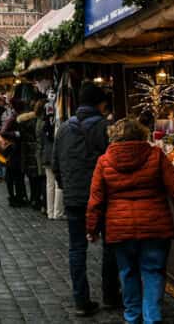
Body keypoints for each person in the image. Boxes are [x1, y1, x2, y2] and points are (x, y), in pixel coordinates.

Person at [87, 117, 174, 324]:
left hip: (120, 229)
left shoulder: (104, 161)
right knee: (153, 272)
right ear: (141, 134)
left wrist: (92, 229)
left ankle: (132, 317)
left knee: (127, 273)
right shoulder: (156, 155)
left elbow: (96, 200)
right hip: (155, 227)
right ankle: (152, 318)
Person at [53, 82, 121, 316]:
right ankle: (111, 295)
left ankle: (81, 300)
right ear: (100, 104)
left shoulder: (63, 128)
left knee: (76, 249)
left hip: (74, 197)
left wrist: (67, 186)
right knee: (110, 245)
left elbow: (55, 163)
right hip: (102, 197)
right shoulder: (105, 127)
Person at [0, 89, 29, 206]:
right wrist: (16, 134)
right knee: (14, 175)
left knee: (15, 176)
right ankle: (15, 198)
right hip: (13, 151)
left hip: (14, 151)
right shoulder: (14, 118)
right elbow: (3, 132)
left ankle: (17, 197)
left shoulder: (15, 116)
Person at [17, 96, 44, 211]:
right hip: (35, 152)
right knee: (37, 178)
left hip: (26, 153)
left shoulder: (23, 121)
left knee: (32, 179)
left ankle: (33, 198)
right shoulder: (37, 121)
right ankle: (36, 200)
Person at [39, 97, 64, 220]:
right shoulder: (58, 124)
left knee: (50, 184)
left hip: (46, 155)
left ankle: (50, 212)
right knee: (58, 183)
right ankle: (57, 212)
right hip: (56, 154)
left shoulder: (44, 125)